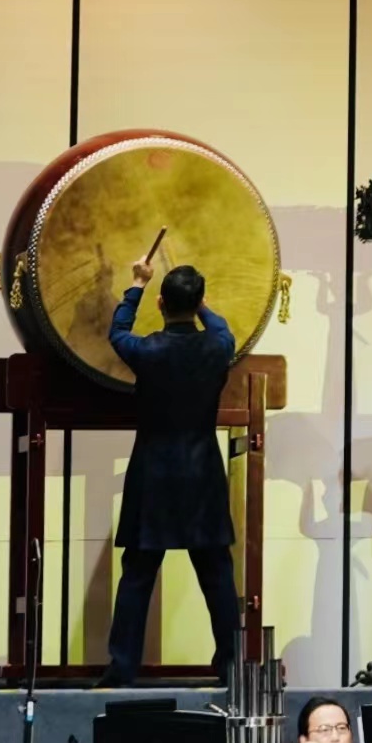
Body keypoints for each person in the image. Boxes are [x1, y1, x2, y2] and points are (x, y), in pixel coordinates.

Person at [100, 262, 240, 686]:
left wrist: (136, 284)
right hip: (202, 473)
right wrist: (201, 307)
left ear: (161, 303)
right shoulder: (218, 345)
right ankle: (231, 665)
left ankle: (122, 668)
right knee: (217, 574)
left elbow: (117, 332)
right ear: (197, 304)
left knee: (138, 574)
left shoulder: (147, 351)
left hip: (154, 473)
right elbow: (219, 326)